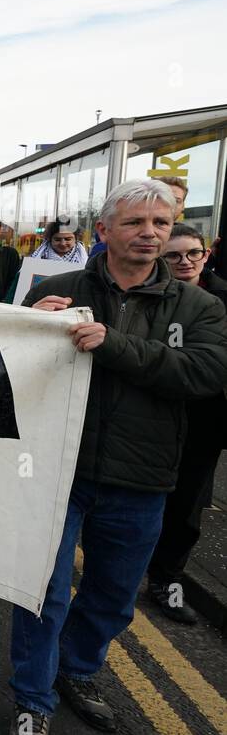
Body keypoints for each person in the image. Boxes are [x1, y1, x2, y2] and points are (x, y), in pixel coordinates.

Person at [10, 179, 227, 735]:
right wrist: (27, 326)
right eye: (136, 223)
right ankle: (32, 698)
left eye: (162, 223)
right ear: (102, 231)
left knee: (111, 596)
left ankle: (77, 671)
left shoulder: (200, 306)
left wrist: (114, 346)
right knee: (43, 594)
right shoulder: (55, 288)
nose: (151, 234)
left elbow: (203, 375)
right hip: (58, 470)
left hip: (142, 477)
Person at [143, 223, 227, 625]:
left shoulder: (223, 297)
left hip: (204, 420)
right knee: (134, 500)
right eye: (173, 255)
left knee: (187, 507)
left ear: (206, 254)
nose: (185, 262)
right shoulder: (150, 296)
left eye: (193, 253)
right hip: (151, 414)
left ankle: (167, 583)